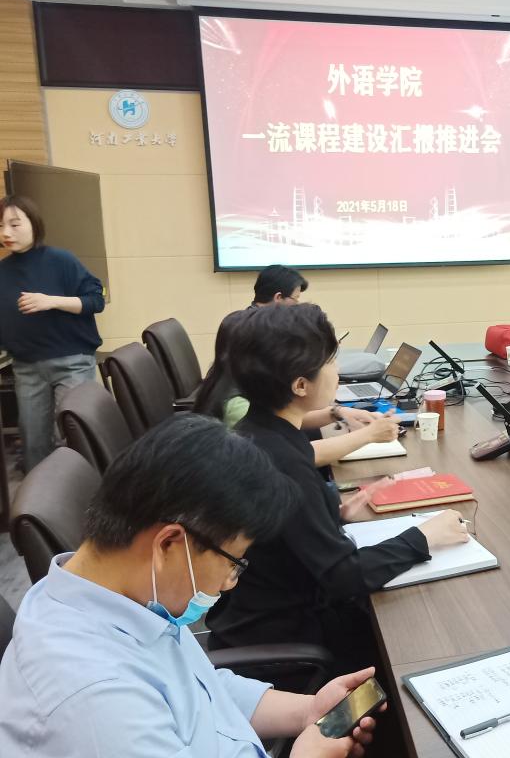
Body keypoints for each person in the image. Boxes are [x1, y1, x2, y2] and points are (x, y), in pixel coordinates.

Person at [0, 413, 380, 757]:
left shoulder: (125, 596)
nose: (229, 583)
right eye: (232, 562)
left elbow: (200, 691)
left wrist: (307, 712)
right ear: (169, 543)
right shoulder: (95, 702)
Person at [206, 303, 468, 670]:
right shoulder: (283, 462)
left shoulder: (261, 430)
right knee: (433, 634)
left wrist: (334, 515)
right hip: (290, 637)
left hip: (262, 611)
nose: (338, 371)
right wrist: (423, 537)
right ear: (300, 385)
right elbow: (344, 577)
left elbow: (284, 534)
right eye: (330, 362)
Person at [194, 308, 399, 464]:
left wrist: (337, 412)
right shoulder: (238, 404)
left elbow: (285, 418)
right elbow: (299, 455)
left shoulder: (238, 386)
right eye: (330, 361)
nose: (337, 368)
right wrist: (369, 435)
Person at [0, 195, 105, 472]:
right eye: (1, 226)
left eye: (14, 224)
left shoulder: (61, 260)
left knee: (72, 433)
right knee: (33, 443)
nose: (6, 233)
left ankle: (87, 489)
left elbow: (96, 300)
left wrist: (51, 301)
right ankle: (42, 498)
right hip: (26, 368)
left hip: (72, 362)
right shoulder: (2, 272)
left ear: (34, 224)